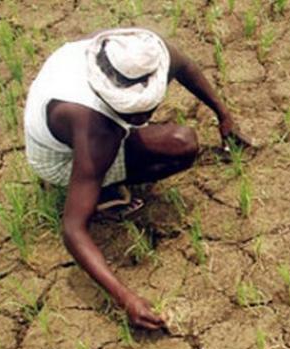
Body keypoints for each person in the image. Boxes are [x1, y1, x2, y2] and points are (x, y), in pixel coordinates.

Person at [23, 28, 249, 331]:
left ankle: (100, 179)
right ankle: (102, 192)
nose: (141, 118)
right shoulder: (96, 129)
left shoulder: (141, 53)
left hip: (73, 129)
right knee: (182, 145)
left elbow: (185, 67)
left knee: (178, 139)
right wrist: (125, 298)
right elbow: (73, 229)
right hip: (57, 159)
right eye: (132, 112)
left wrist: (224, 116)